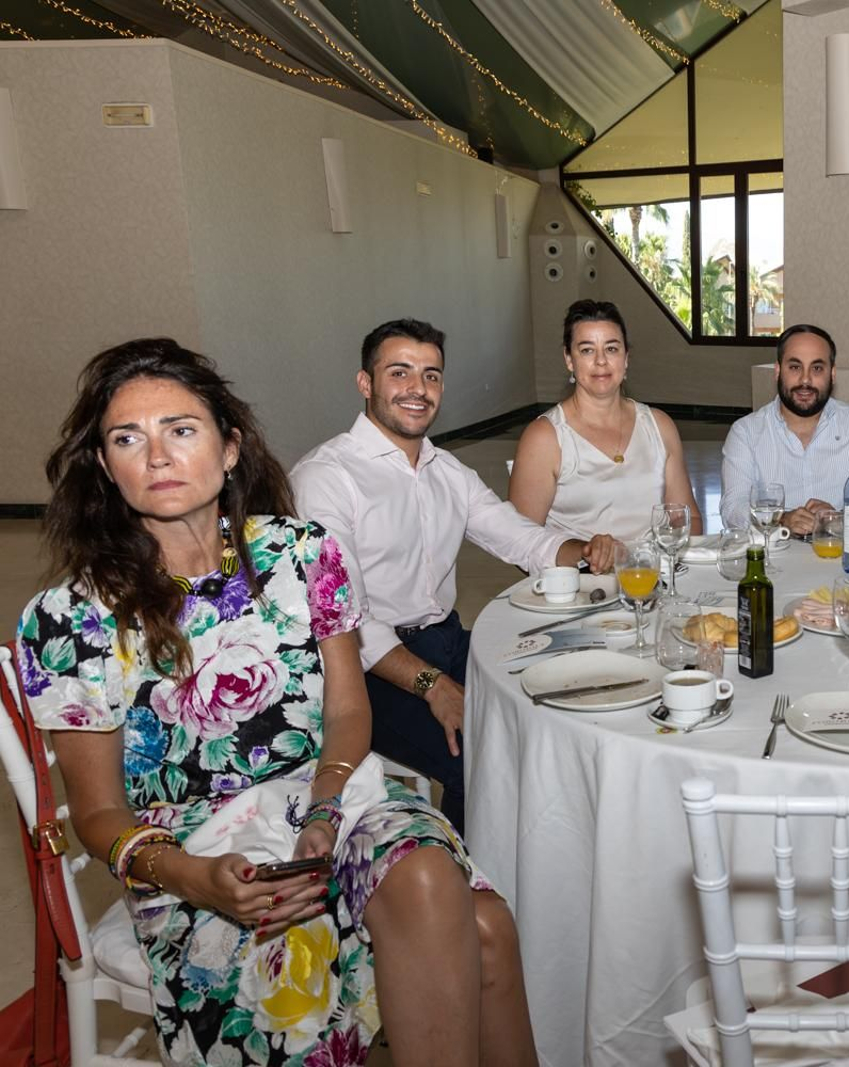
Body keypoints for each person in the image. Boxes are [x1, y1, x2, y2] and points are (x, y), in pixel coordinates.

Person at [15, 339, 537, 1067]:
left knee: (429, 877)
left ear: (230, 449)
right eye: (128, 438)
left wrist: (323, 811)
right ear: (105, 467)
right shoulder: (72, 617)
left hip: (330, 798)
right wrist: (196, 877)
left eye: (181, 429)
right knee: (478, 925)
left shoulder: (302, 554)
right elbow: (100, 816)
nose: (157, 455)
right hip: (196, 855)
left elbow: (349, 714)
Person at [292, 318, 599, 834]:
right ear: (365, 383)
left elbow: (519, 537)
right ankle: (469, 884)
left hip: (448, 639)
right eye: (400, 373)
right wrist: (433, 684)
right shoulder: (327, 477)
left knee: (576, 667)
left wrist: (587, 552)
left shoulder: (446, 470)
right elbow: (349, 616)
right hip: (365, 672)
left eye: (431, 375)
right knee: (483, 753)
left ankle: (554, 847)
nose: (418, 389)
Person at [509, 299, 702, 546]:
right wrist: (585, 554)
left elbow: (688, 518)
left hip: (654, 576)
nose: (601, 361)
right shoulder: (545, 438)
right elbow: (518, 540)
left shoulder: (659, 426)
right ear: (569, 359)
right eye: (587, 350)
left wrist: (673, 560)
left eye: (611, 349)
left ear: (626, 357)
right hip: (582, 580)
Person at [720, 323, 849, 535]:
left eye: (817, 368)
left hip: (842, 560)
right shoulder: (746, 432)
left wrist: (840, 519)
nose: (805, 380)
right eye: (795, 367)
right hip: (776, 562)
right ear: (778, 371)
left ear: (832, 374)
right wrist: (782, 519)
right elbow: (732, 509)